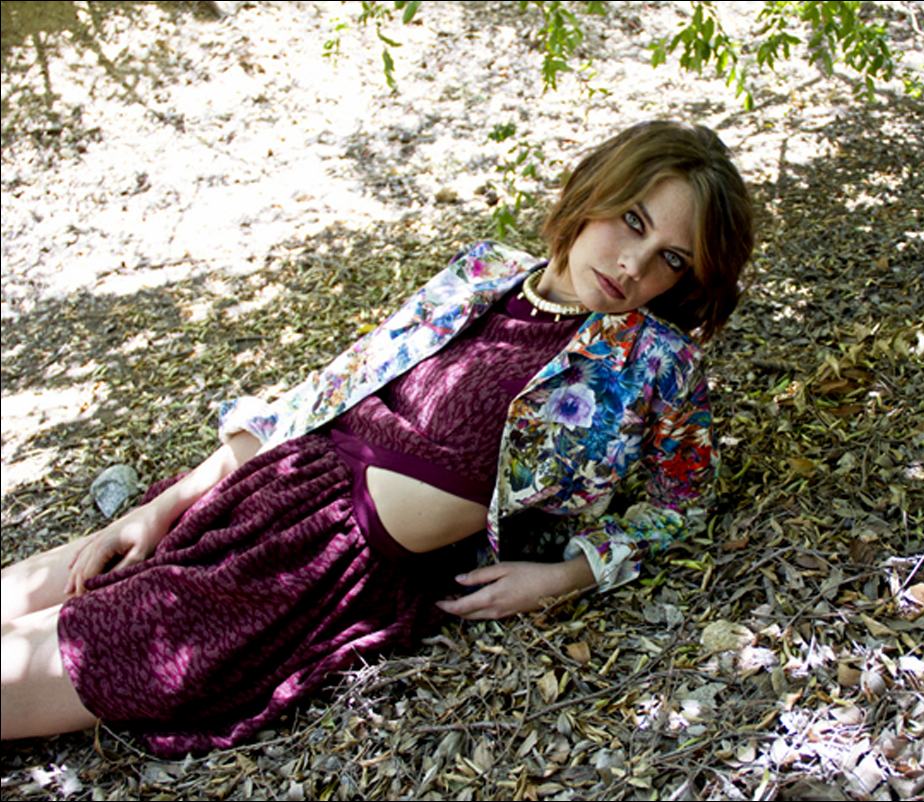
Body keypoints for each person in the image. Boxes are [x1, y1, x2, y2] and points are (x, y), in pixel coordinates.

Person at [1, 120, 755, 757]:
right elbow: (325, 393)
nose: (633, 264)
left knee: (42, 661)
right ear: (594, 190)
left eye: (671, 258)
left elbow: (681, 503)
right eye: (633, 220)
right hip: (270, 483)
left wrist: (565, 576)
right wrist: (159, 507)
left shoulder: (657, 362)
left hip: (316, 572)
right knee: (34, 589)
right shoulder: (483, 271)